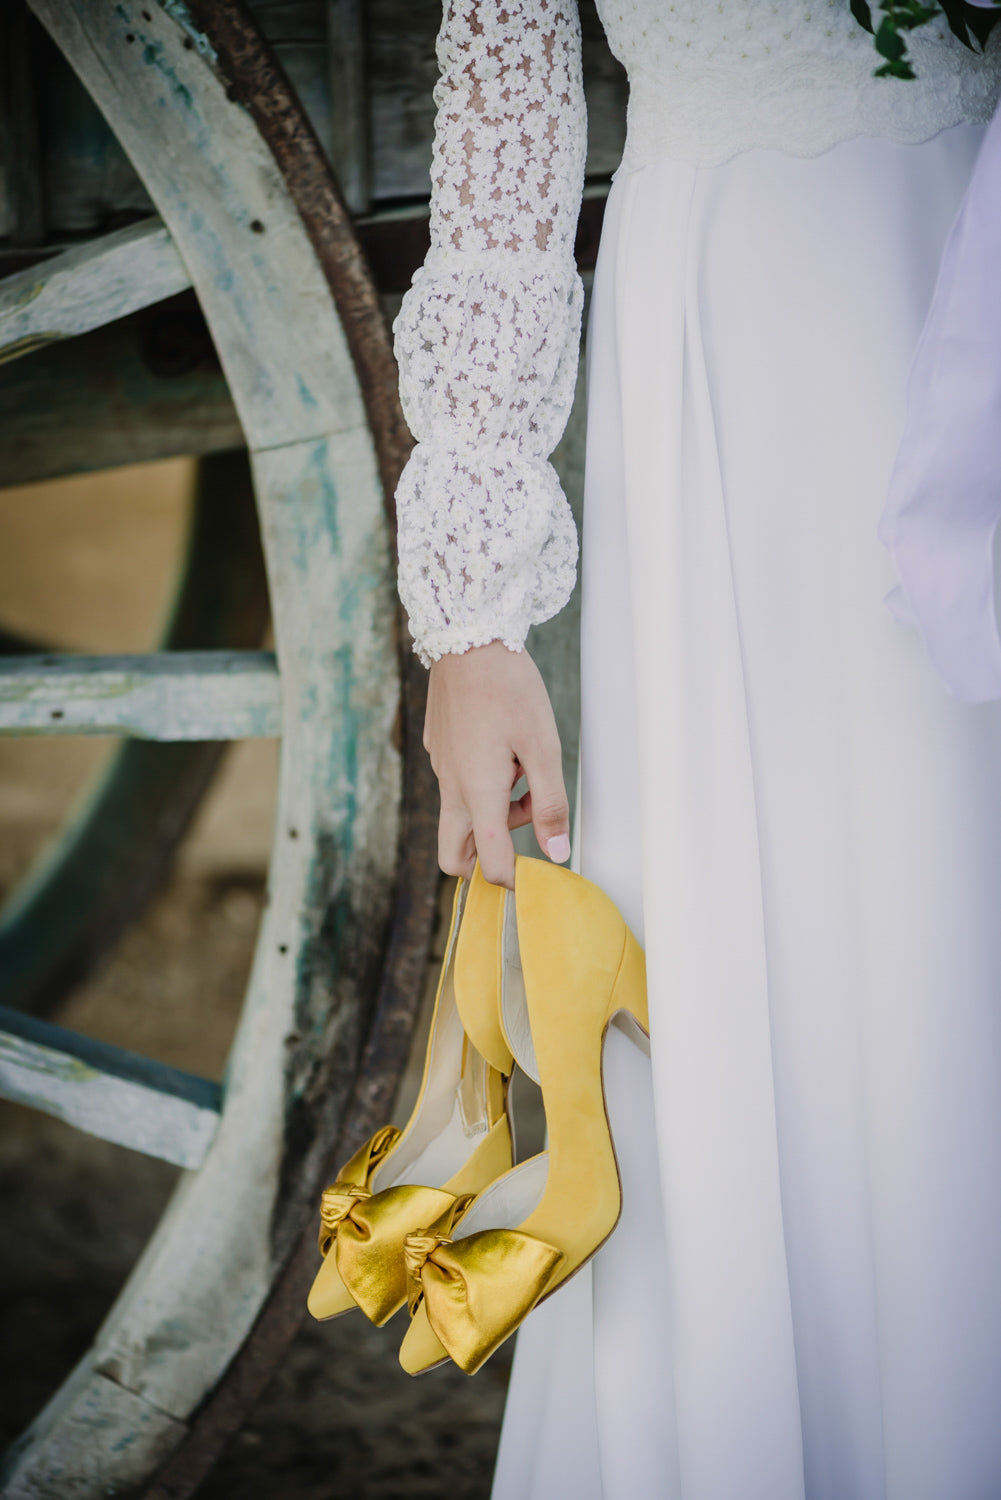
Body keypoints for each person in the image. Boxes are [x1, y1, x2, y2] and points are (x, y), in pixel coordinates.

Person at [391, 3, 1001, 1496]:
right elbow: (503, 123)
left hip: (973, 241)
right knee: (767, 934)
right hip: (742, 320)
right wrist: (471, 618)